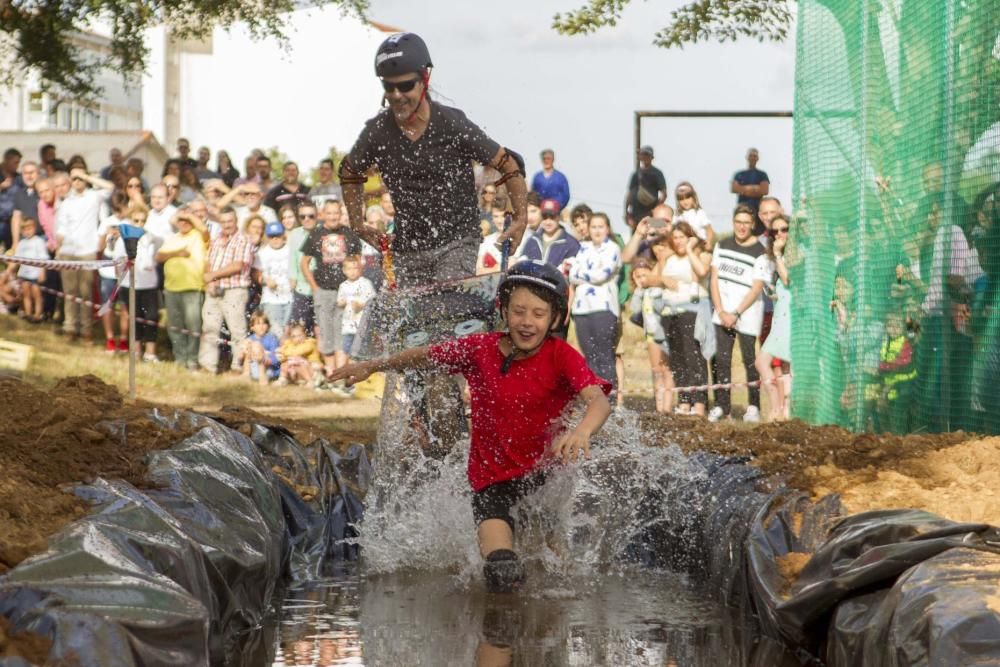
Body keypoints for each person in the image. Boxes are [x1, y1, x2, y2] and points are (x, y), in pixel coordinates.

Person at [328, 261, 612, 592]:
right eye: (518, 311)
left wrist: (581, 431)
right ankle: (500, 636)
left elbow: (599, 401)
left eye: (538, 313)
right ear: (503, 311)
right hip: (490, 483)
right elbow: (425, 355)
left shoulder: (561, 356)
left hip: (544, 481)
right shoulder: (480, 349)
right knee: (502, 573)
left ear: (555, 318)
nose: (527, 322)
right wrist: (374, 365)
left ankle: (541, 630)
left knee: (557, 577)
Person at [339, 32, 529, 286]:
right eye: (389, 86)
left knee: (442, 312)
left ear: (424, 79)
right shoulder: (378, 132)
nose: (397, 95)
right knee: (408, 321)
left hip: (457, 242)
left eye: (406, 86)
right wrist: (357, 224)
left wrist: (521, 218)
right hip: (408, 247)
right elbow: (349, 173)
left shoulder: (452, 124)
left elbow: (509, 164)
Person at [709, 205, 770, 422]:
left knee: (749, 359)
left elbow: (756, 288)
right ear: (733, 222)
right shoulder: (722, 245)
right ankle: (721, 406)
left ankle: (753, 406)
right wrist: (721, 310)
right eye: (738, 222)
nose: (742, 227)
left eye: (746, 223)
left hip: (747, 313)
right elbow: (714, 279)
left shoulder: (761, 252)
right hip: (722, 312)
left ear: (752, 224)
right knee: (721, 360)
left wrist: (735, 312)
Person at [301, 196, 362, 381]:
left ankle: (341, 375)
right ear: (323, 214)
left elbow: (358, 260)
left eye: (336, 212)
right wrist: (314, 288)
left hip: (345, 292)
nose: (333, 216)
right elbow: (304, 263)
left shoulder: (350, 234)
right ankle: (330, 374)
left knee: (343, 332)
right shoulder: (315, 234)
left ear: (340, 213)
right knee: (326, 332)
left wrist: (354, 285)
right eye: (329, 212)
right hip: (324, 291)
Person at [656, 222, 712, 416]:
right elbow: (660, 278)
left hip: (692, 309)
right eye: (676, 237)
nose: (679, 241)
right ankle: (684, 401)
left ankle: (699, 404)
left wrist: (689, 249)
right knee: (678, 358)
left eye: (683, 237)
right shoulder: (668, 257)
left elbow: (700, 274)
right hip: (670, 311)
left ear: (691, 237)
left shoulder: (700, 255)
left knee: (693, 355)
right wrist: (667, 279)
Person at [54, 168, 114, 340]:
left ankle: (86, 328)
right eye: (74, 179)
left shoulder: (93, 196)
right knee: (70, 292)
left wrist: (86, 176)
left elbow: (111, 188)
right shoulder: (66, 203)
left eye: (79, 179)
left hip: (87, 251)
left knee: (85, 292)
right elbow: (61, 230)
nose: (77, 182)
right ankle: (70, 326)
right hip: (68, 252)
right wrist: (58, 249)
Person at [569, 212, 622, 394]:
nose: (597, 230)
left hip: (604, 308)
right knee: (589, 356)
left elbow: (602, 275)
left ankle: (610, 400)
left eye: (601, 226)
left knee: (604, 355)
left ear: (607, 228)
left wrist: (581, 274)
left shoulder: (613, 248)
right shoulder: (582, 248)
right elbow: (571, 275)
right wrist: (584, 275)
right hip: (582, 309)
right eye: (594, 227)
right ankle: (594, 399)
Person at [198, 206, 255, 373]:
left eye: (230, 221)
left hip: (234, 290)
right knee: (209, 328)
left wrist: (213, 275)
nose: (227, 225)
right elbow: (209, 261)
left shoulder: (243, 239)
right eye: (223, 222)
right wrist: (210, 279)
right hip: (215, 290)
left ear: (236, 221)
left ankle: (238, 367)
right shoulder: (216, 239)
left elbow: (237, 265)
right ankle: (208, 366)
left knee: (237, 330)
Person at [156, 207, 209, 370]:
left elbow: (204, 229)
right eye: (181, 220)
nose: (184, 223)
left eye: (188, 220)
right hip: (171, 288)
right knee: (175, 326)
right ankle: (180, 359)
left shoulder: (199, 236)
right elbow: (159, 257)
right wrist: (178, 253)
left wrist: (189, 215)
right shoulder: (172, 239)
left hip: (193, 288)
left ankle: (192, 360)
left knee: (193, 326)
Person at [114, 207, 164, 362]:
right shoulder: (122, 239)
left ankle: (150, 352)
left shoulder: (151, 237)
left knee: (152, 317)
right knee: (135, 317)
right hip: (131, 284)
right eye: (136, 220)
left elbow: (159, 250)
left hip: (149, 284)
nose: (140, 224)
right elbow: (117, 264)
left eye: (143, 220)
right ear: (130, 220)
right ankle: (136, 350)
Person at [755, 213, 792, 422]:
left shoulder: (794, 255)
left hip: (790, 318)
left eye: (784, 229)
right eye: (775, 231)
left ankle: (781, 410)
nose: (779, 234)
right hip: (781, 315)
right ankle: (780, 409)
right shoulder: (779, 256)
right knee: (781, 366)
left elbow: (788, 280)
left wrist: (778, 255)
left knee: (764, 362)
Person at [336, 255, 376, 368]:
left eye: (355, 268)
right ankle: (342, 376)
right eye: (349, 269)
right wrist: (342, 303)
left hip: (362, 325)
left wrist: (361, 305)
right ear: (344, 271)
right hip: (348, 326)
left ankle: (355, 378)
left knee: (359, 352)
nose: (352, 271)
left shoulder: (365, 283)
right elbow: (339, 302)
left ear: (360, 269)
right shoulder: (343, 286)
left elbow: (373, 301)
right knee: (345, 350)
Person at [254, 221, 293, 336]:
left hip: (290, 297)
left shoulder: (290, 250)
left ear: (283, 236)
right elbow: (255, 273)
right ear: (267, 237)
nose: (275, 239)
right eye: (272, 236)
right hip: (271, 298)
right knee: (275, 331)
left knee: (289, 331)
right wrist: (265, 280)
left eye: (278, 236)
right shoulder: (262, 253)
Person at [288, 201, 319, 334]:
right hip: (301, 287)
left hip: (320, 287)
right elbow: (292, 258)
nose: (307, 219)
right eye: (303, 217)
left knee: (319, 327)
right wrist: (292, 278)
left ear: (317, 216)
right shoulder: (294, 234)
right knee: (300, 326)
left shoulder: (324, 232)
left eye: (311, 216)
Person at [9, 218, 47, 321]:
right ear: (22, 231)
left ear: (34, 228)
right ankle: (28, 313)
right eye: (25, 229)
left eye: (30, 228)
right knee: (26, 294)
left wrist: (42, 272)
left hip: (35, 274)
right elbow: (17, 258)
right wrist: (11, 270)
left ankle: (38, 314)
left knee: (36, 294)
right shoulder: (21, 243)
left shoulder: (39, 241)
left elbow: (43, 259)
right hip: (24, 274)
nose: (28, 231)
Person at [623, 146, 666, 230]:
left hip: (651, 214)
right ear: (640, 157)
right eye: (643, 155)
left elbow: (664, 194)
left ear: (652, 157)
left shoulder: (657, 173)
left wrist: (656, 209)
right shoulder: (636, 174)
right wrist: (626, 213)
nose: (645, 157)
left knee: (653, 235)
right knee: (637, 237)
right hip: (636, 215)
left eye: (647, 155)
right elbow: (629, 194)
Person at [238, 311, 281, 385]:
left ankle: (262, 377)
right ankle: (246, 374)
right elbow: (241, 360)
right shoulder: (249, 339)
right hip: (253, 369)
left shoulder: (272, 339)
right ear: (252, 327)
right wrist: (242, 354)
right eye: (258, 324)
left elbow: (276, 358)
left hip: (268, 370)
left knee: (256, 345)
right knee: (248, 344)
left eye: (264, 323)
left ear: (268, 326)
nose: (261, 326)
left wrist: (267, 360)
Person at [276, 322, 323, 386]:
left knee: (298, 364)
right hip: (300, 372)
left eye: (300, 335)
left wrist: (284, 352)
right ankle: (282, 379)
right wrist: (283, 354)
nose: (297, 338)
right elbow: (282, 355)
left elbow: (300, 351)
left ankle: (310, 381)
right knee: (284, 364)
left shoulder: (310, 342)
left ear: (305, 334)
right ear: (291, 338)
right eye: (294, 336)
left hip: (313, 370)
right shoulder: (290, 344)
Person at [674, 181, 715, 248]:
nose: (685, 202)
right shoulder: (677, 215)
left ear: (693, 197)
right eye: (681, 199)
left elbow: (709, 230)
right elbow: (668, 224)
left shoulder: (699, 213)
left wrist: (708, 242)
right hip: (683, 245)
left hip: (699, 244)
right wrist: (652, 221)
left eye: (688, 198)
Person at [730, 148, 770, 214]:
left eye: (754, 156)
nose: (752, 158)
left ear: (758, 158)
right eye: (750, 156)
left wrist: (743, 189)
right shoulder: (739, 174)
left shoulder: (762, 174)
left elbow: (765, 191)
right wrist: (755, 189)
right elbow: (734, 189)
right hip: (742, 208)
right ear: (747, 157)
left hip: (758, 209)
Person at [0, 148, 24, 250]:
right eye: (15, 162)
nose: (17, 166)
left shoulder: (19, 178)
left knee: (12, 251)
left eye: (18, 163)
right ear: (6, 160)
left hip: (13, 222)